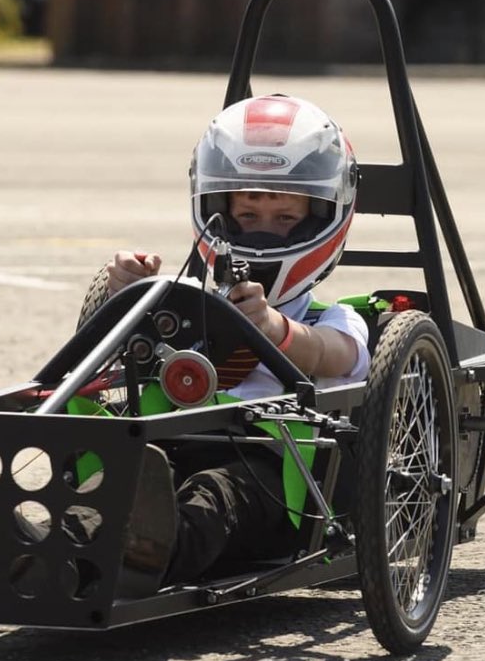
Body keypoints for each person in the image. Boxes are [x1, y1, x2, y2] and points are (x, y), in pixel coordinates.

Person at [105, 95, 370, 595]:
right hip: (171, 449)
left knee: (210, 499)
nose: (264, 232)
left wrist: (273, 328)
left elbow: (329, 354)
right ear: (217, 213)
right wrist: (127, 293)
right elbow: (121, 363)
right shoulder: (188, 309)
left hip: (275, 473)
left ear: (321, 218)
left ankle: (137, 561)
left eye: (286, 218)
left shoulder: (336, 319)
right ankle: (56, 543)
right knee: (116, 484)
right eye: (247, 216)